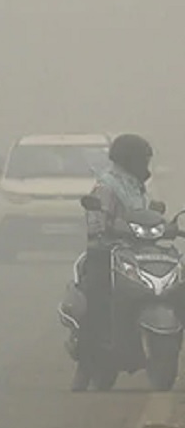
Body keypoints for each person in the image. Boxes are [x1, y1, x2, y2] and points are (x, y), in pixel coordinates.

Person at [73, 134, 154, 391]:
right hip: (106, 254)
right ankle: (86, 360)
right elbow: (96, 222)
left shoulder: (136, 185)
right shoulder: (106, 186)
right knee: (97, 303)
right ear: (130, 159)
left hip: (138, 254)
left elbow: (146, 213)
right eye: (143, 159)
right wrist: (114, 230)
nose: (146, 165)